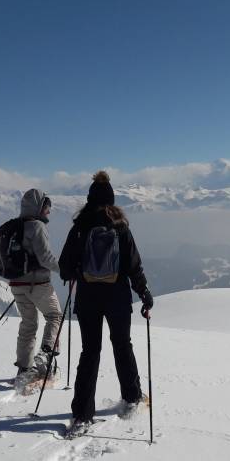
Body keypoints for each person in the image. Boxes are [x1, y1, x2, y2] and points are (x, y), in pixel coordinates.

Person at [58, 171, 153, 435]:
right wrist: (144, 292)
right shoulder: (121, 226)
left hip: (88, 297)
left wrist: (79, 273)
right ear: (112, 200)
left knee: (90, 352)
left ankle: (81, 414)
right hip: (118, 297)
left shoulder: (80, 227)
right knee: (122, 346)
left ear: (89, 198)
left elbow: (64, 267)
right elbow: (133, 265)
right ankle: (132, 398)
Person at [10, 188, 62, 385]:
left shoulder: (15, 226)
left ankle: (24, 368)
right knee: (54, 316)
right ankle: (44, 360)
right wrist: (64, 270)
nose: (48, 212)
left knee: (28, 324)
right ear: (40, 207)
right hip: (37, 283)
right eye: (47, 208)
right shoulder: (37, 226)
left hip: (16, 283)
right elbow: (45, 258)